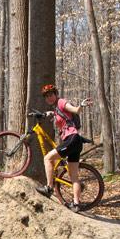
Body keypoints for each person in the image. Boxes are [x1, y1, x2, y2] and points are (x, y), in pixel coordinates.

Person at [36, 84, 92, 213]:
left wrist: (80, 106)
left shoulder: (61, 102)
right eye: (46, 96)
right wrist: (46, 114)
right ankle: (77, 204)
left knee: (47, 158)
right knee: (74, 177)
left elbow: (74, 110)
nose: (49, 98)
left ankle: (49, 188)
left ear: (56, 94)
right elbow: (55, 114)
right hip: (76, 141)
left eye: (51, 95)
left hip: (72, 139)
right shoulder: (56, 109)